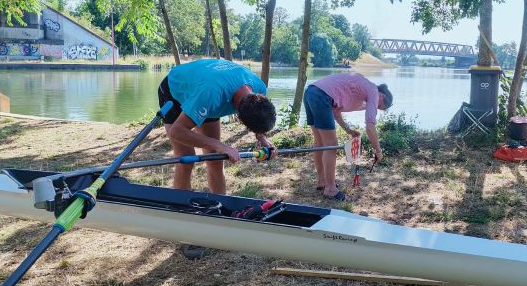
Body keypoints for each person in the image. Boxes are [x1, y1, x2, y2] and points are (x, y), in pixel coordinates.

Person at [158, 59, 276, 258]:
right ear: (237, 117)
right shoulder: (211, 95)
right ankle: (185, 229)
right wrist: (220, 145)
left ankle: (219, 219)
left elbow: (257, 120)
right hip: (176, 89)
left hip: (207, 89)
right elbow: (177, 132)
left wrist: (262, 137)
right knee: (186, 159)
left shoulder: (258, 87)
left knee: (215, 160)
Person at [304, 72, 393, 201]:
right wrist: (378, 151)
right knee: (331, 146)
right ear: (382, 95)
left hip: (311, 92)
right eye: (379, 105)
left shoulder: (358, 89)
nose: (376, 107)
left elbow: (335, 110)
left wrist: (348, 130)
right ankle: (330, 189)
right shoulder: (373, 90)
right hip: (321, 96)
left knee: (320, 143)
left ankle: (322, 181)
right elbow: (370, 127)